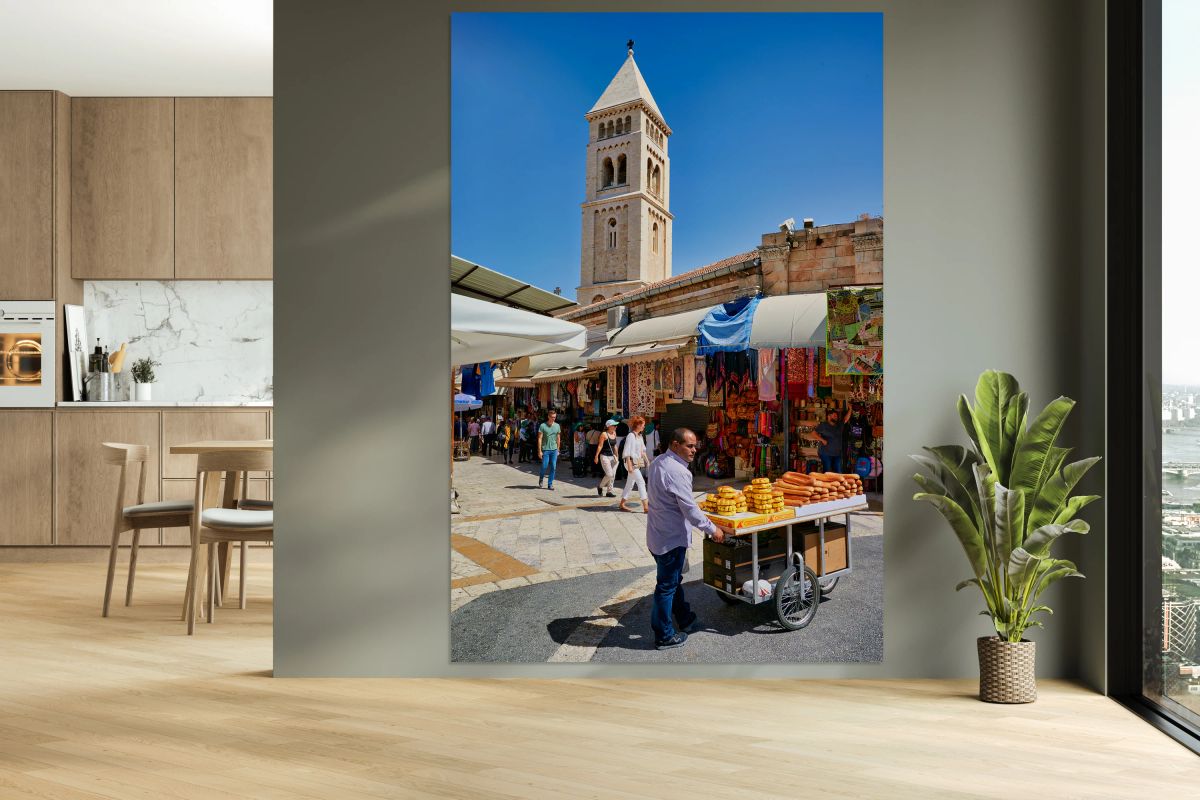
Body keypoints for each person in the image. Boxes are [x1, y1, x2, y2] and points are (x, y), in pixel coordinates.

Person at [644, 427, 725, 650]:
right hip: (671, 538)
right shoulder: (678, 471)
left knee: (672, 581)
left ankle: (685, 618)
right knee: (666, 586)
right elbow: (689, 510)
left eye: (695, 445)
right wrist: (712, 529)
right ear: (675, 445)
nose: (694, 450)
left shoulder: (659, 461)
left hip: (657, 534)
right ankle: (663, 635)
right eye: (689, 446)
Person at [619, 415, 650, 513]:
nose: (644, 427)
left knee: (630, 484)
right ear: (639, 425)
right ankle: (646, 507)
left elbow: (643, 451)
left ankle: (622, 504)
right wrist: (629, 466)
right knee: (641, 482)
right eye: (643, 425)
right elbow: (627, 452)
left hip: (636, 463)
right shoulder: (631, 436)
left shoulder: (639, 436)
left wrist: (648, 462)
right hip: (630, 463)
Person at [813, 406, 850, 473]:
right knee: (828, 472)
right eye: (834, 415)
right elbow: (813, 434)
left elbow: (846, 419)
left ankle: (838, 483)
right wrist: (822, 440)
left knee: (839, 472)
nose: (836, 417)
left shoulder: (839, 425)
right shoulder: (823, 425)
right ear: (829, 416)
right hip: (825, 453)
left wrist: (850, 409)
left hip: (837, 454)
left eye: (837, 416)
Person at [594, 419, 620, 497]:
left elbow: (615, 445)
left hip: (613, 456)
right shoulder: (604, 434)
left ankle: (609, 491)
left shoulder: (614, 433)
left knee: (613, 475)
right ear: (609, 426)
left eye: (616, 425)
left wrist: (617, 456)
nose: (616, 427)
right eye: (614, 425)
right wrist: (596, 456)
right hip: (605, 456)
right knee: (609, 474)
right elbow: (600, 446)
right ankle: (600, 486)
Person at [537, 409, 562, 490]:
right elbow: (539, 438)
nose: (553, 419)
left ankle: (550, 484)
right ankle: (541, 478)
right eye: (552, 417)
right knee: (544, 466)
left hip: (554, 450)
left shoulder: (557, 426)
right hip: (545, 450)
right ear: (548, 416)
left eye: (554, 417)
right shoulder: (542, 426)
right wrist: (539, 451)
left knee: (554, 467)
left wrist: (558, 449)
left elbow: (558, 438)